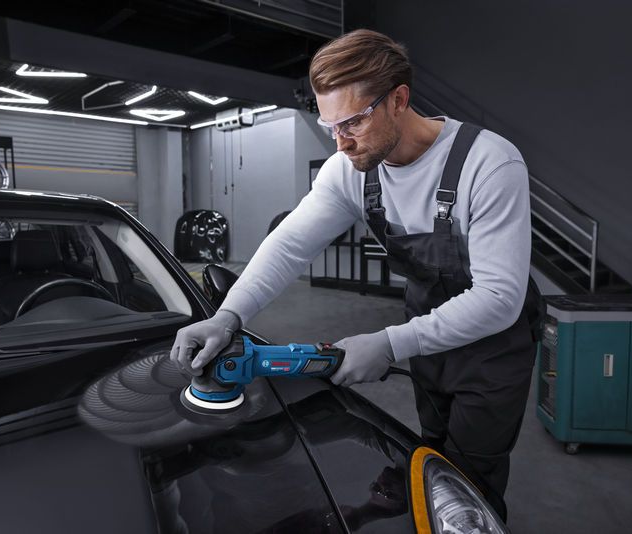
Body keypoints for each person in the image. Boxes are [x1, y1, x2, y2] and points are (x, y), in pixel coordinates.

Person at [170, 28, 538, 519]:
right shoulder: (351, 169)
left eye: (352, 123)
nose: (341, 143)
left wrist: (388, 343)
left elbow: (498, 297)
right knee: (429, 455)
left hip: (493, 349)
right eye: (330, 127)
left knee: (471, 478)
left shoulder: (488, 163)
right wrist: (228, 315)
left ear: (398, 101)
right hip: (427, 328)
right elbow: (289, 245)